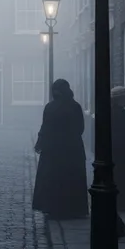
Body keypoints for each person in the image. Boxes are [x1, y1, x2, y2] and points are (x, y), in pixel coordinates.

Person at [32, 79, 88, 220]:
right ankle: (73, 208)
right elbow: (80, 128)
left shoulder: (50, 107)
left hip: (52, 149)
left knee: (53, 179)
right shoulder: (75, 106)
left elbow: (45, 127)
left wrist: (41, 142)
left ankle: (53, 207)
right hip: (72, 149)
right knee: (71, 178)